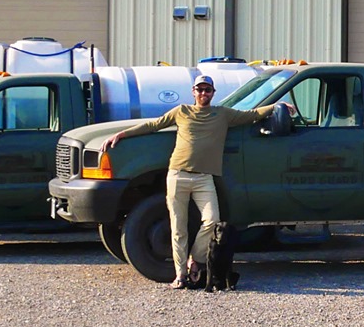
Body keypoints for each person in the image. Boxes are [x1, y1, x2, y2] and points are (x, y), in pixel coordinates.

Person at [107, 75, 275, 290]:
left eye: (207, 90)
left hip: (204, 178)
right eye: (199, 89)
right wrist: (121, 135)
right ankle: (180, 275)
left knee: (212, 220)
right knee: (178, 227)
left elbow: (252, 115)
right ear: (193, 92)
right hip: (178, 175)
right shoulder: (182, 111)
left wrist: (276, 106)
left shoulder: (223, 114)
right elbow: (153, 125)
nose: (203, 93)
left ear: (213, 93)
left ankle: (194, 259)